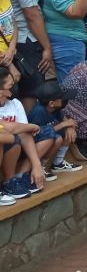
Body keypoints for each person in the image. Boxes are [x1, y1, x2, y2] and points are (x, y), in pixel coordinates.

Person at [0, 66, 46, 202]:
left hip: (12, 147)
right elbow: (10, 131)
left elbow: (21, 132)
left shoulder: (15, 103)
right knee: (8, 140)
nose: (14, 88)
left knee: (46, 133)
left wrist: (37, 165)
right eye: (10, 85)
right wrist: (30, 126)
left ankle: (13, 181)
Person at [28, 80, 81, 177]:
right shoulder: (38, 112)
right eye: (62, 98)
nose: (65, 100)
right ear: (51, 103)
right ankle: (39, 167)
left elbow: (64, 119)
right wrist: (63, 125)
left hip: (51, 137)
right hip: (37, 145)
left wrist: (69, 126)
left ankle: (58, 164)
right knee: (57, 139)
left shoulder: (55, 108)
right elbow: (37, 133)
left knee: (67, 133)